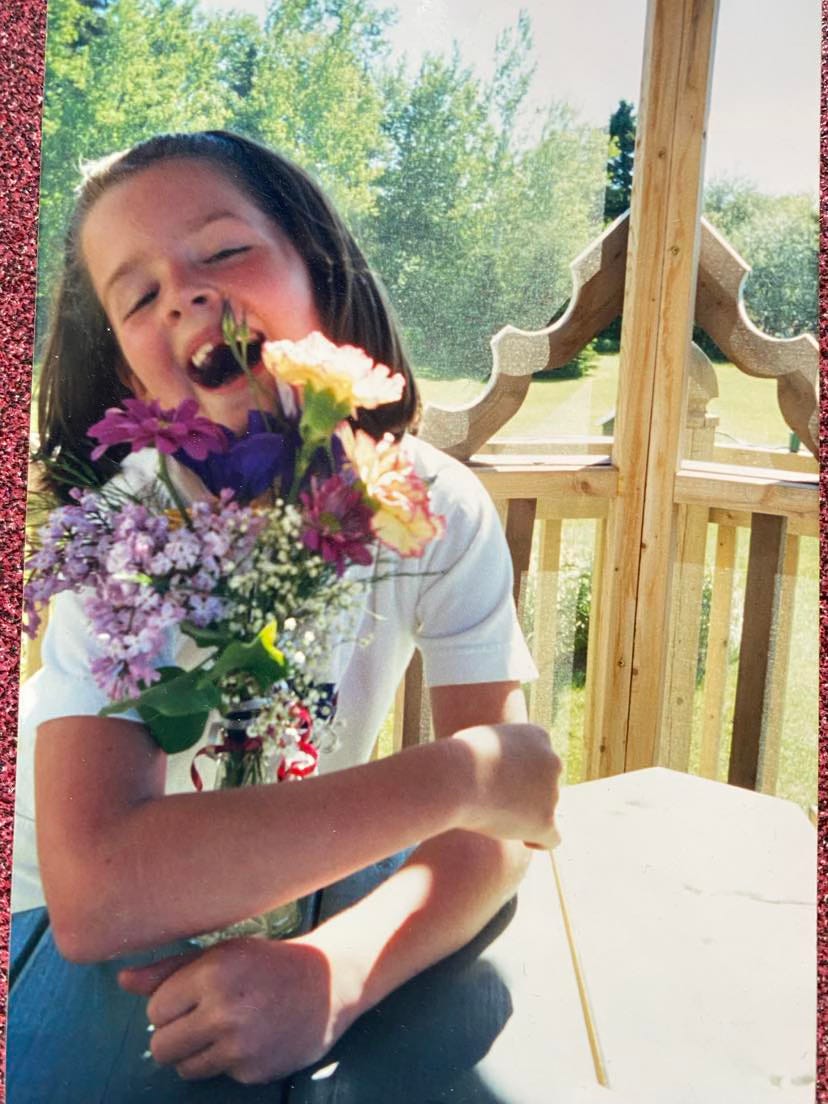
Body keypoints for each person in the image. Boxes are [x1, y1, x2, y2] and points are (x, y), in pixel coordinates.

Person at [14, 130, 562, 1085]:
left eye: (224, 250)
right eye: (138, 295)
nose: (183, 291)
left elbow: (506, 841)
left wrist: (337, 972)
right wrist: (464, 777)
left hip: (303, 905)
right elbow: (95, 893)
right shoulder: (121, 535)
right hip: (60, 942)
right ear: (133, 374)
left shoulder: (430, 508)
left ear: (321, 269)